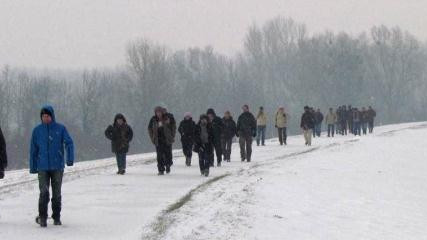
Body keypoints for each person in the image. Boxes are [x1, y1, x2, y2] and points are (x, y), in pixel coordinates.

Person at [30, 105, 74, 227]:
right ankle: (43, 217)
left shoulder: (60, 129)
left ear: (52, 116)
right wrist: (33, 166)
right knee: (43, 192)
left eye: (48, 116)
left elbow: (69, 143)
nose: (46, 118)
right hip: (42, 167)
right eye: (43, 116)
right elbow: (33, 149)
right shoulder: (37, 131)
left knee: (56, 193)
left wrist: (69, 158)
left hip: (57, 167)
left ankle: (56, 217)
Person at [148, 106, 176, 175]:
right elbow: (149, 129)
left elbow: (173, 126)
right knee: (159, 156)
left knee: (168, 154)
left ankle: (168, 165)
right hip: (158, 140)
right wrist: (152, 138)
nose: (158, 114)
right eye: (157, 112)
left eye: (159, 112)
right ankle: (161, 170)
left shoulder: (167, 118)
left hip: (167, 139)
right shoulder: (153, 119)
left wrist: (172, 135)